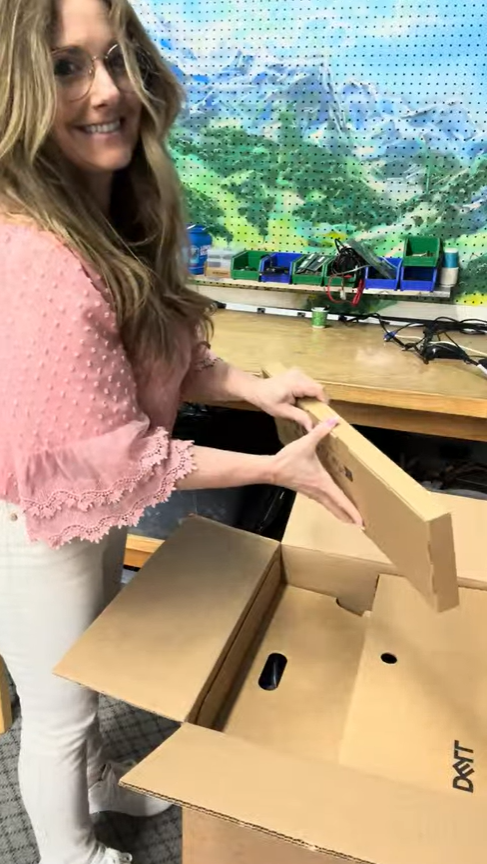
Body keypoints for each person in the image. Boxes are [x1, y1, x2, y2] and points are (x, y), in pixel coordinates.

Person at [0, 0, 362, 862]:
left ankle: (97, 784)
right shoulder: (37, 261)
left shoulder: (104, 211)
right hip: (33, 519)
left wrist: (258, 389)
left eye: (117, 57)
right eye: (66, 66)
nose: (107, 90)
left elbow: (160, 356)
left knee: (87, 666)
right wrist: (275, 470)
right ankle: (70, 854)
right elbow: (117, 459)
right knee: (57, 711)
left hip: (84, 503)